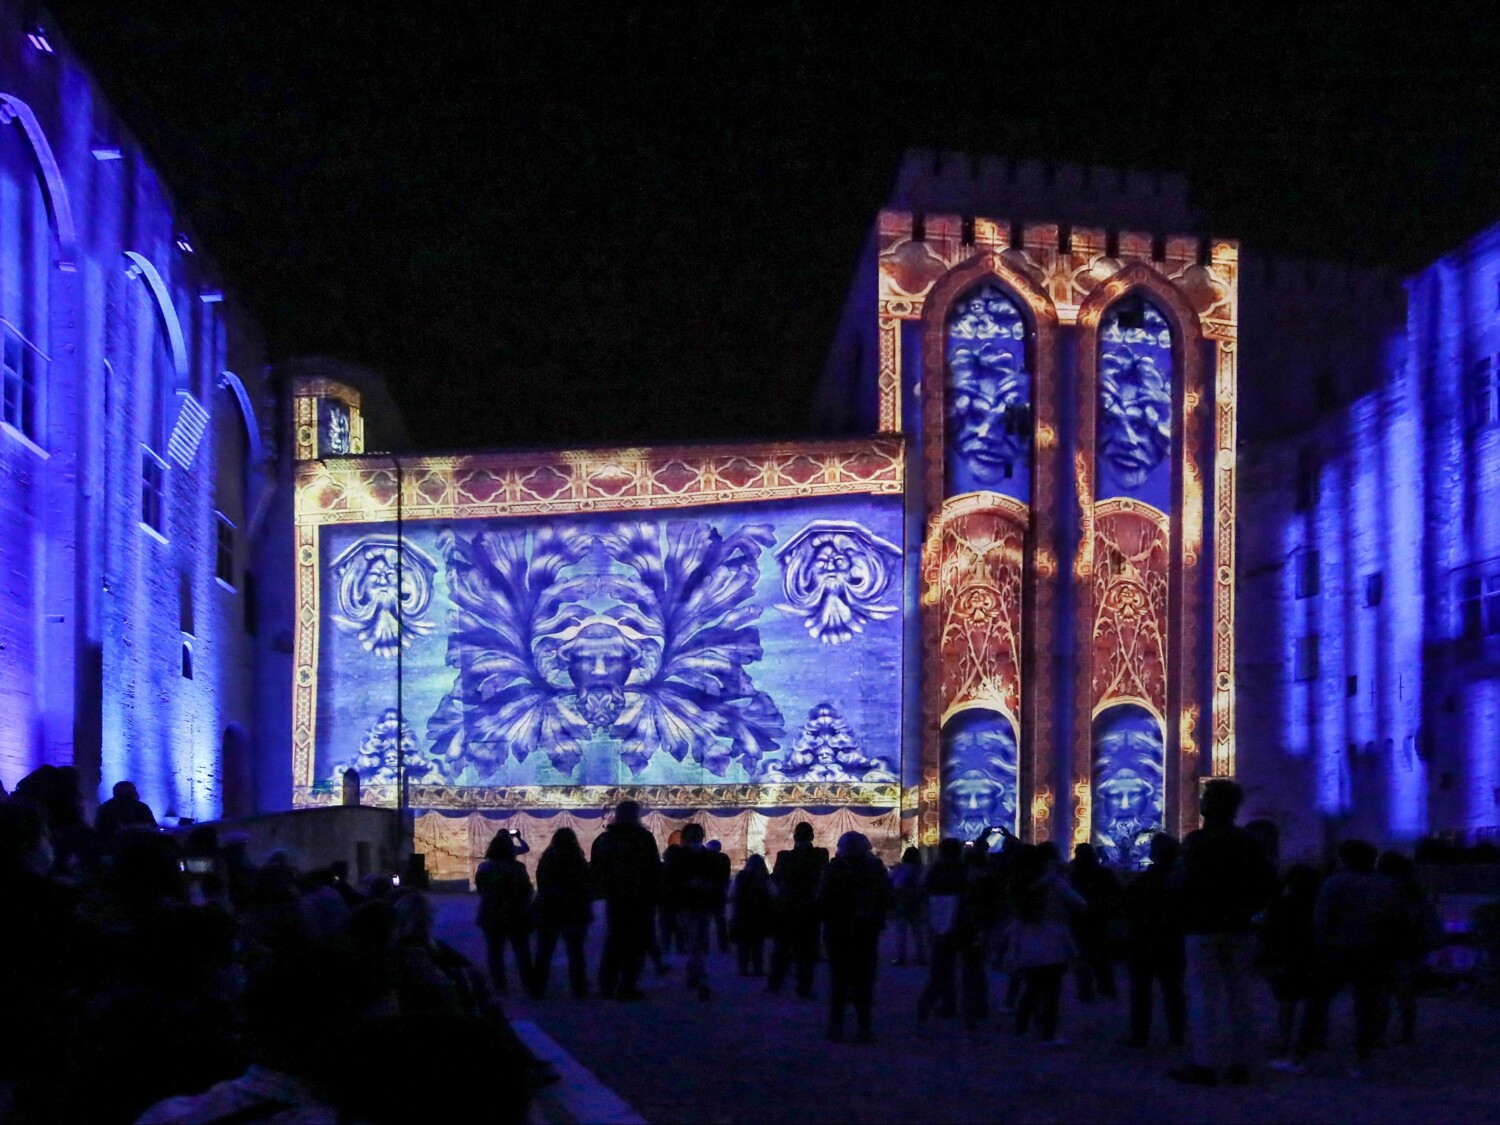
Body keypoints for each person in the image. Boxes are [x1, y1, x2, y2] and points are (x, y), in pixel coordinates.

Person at [1170, 779, 1278, 1087]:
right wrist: (1251, 909)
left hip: (1202, 926)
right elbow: (1269, 882)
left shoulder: (1197, 842)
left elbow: (1180, 882)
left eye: (1205, 798)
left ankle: (1205, 1064)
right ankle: (1240, 1063)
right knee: (1240, 996)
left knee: (1204, 996)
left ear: (1213, 805)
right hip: (1240, 926)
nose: (1201, 803)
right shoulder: (1249, 841)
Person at [1285, 839, 1403, 1077]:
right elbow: (1397, 919)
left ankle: (1299, 1057)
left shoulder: (1336, 883)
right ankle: (1361, 1061)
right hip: (1374, 950)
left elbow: (1321, 920)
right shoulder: (1388, 885)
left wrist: (1321, 946)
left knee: (1317, 1003)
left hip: (1338, 949)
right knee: (1367, 1007)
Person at [1003, 842, 1085, 1045]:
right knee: (1051, 991)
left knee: (1031, 988)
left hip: (1029, 941)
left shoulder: (1022, 883)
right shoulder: (1056, 883)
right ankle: (1048, 1033)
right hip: (1053, 940)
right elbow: (1080, 903)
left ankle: (1021, 1029)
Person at [817, 831, 889, 1042]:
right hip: (865, 929)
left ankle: (836, 1027)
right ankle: (863, 1028)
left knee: (838, 980)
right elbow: (886, 897)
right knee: (864, 981)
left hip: (837, 930)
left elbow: (822, 899)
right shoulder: (875, 868)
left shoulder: (832, 868)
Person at [591, 799, 662, 1001]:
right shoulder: (643, 838)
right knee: (636, 943)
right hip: (640, 897)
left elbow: (597, 869)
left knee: (615, 941)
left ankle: (607, 984)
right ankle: (627, 985)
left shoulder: (606, 839)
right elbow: (654, 869)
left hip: (616, 897)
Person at [1121, 832, 1185, 1047]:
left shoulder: (1144, 880)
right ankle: (1177, 1034)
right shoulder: (1180, 880)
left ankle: (1140, 1034)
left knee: (1141, 991)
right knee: (1173, 990)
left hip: (1143, 940)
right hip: (1172, 941)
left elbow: (1126, 905)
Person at [1376, 850, 1442, 1046]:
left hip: (1385, 943)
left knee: (1382, 992)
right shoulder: (1413, 890)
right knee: (1405, 993)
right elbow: (1422, 916)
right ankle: (1406, 1032)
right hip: (1409, 945)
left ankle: (1381, 1034)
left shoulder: (1382, 888)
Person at [1259, 863, 1321, 1064]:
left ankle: (1285, 1038)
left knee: (1287, 998)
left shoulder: (1281, 902)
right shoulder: (1316, 904)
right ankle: (1318, 1036)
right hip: (1312, 952)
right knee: (1316, 997)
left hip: (1286, 953)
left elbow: (1270, 929)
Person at [767, 821, 829, 999]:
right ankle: (802, 987)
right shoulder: (820, 854)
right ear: (811, 837)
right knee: (805, 951)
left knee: (782, 949)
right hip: (808, 907)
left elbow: (776, 878)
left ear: (794, 837)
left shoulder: (785, 856)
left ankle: (775, 983)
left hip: (788, 907)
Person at [662, 822, 721, 1000]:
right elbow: (670, 881)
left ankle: (693, 971)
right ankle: (700, 976)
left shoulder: (706, 857)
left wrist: (709, 886)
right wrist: (688, 884)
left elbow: (716, 879)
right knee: (695, 940)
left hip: (702, 903)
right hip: (686, 904)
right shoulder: (678, 857)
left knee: (699, 940)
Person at [534, 827, 594, 999]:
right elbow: (585, 886)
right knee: (575, 952)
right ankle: (579, 988)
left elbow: (542, 883)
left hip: (549, 910)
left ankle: (538, 987)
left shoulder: (547, 859)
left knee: (544, 952)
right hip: (573, 911)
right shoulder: (577, 860)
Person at [474, 830, 536, 996]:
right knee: (522, 950)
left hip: (491, 913)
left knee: (495, 951)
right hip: (515, 914)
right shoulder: (518, 868)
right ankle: (529, 982)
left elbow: (480, 889)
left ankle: (499, 983)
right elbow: (527, 890)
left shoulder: (484, 867)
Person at [916, 838, 967, 1021]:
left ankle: (938, 1003)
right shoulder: (963, 871)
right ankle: (947, 1003)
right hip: (958, 922)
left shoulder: (933, 872)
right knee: (952, 968)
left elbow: (924, 896)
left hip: (938, 922)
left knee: (940, 968)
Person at [1068, 842, 1122, 1001]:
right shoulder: (1104, 873)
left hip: (1080, 919)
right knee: (1101, 956)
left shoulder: (1074, 875)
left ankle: (1085, 990)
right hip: (1099, 917)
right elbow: (1117, 894)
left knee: (1082, 956)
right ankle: (1106, 988)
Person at [730, 854, 774, 976]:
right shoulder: (764, 878)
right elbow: (772, 894)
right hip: (759, 914)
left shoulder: (740, 876)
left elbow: (732, 894)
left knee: (743, 944)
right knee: (757, 944)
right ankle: (757, 968)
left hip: (742, 913)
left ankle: (742, 968)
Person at [888, 846, 928, 967]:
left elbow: (893, 884)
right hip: (917, 903)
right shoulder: (922, 869)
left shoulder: (899, 869)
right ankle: (922, 957)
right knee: (918, 932)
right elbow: (925, 885)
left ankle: (901, 957)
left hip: (902, 903)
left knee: (901, 932)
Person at [94, 780, 159, 845]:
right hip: (139, 846)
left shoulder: (104, 807)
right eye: (134, 790)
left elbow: (99, 829)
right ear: (131, 792)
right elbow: (153, 826)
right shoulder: (140, 807)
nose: (137, 792)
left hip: (111, 847)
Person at [706, 840, 733, 954]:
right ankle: (723, 946)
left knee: (706, 921)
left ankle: (704, 946)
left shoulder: (705, 858)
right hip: (719, 891)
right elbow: (726, 875)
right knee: (720, 920)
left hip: (707, 892)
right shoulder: (724, 858)